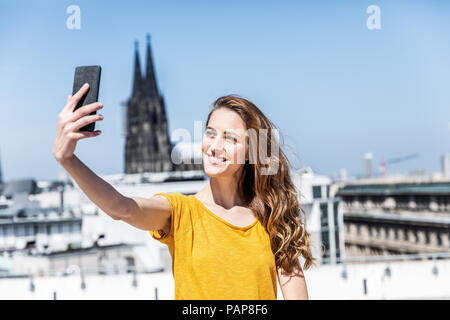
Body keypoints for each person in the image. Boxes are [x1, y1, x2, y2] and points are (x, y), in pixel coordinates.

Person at [53, 83, 316, 300]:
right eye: (210, 133)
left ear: (251, 150)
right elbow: (121, 208)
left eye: (230, 138)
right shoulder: (181, 213)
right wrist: (68, 160)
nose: (214, 145)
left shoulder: (270, 217)